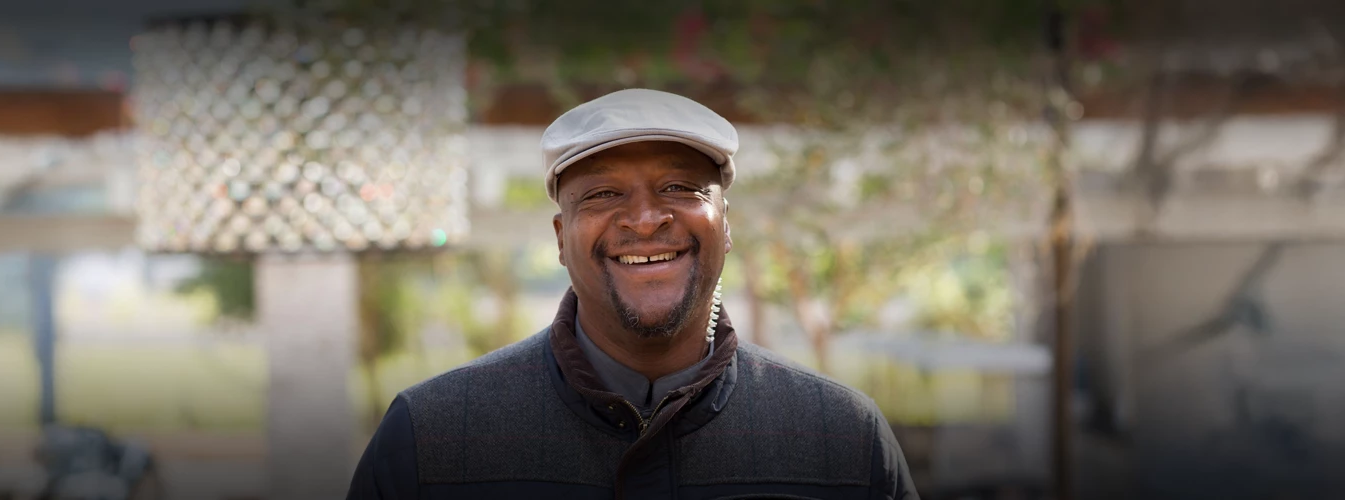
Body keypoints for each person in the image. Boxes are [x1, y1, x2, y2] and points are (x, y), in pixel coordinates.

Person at [347, 89, 919, 499]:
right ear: (560, 239)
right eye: (601, 194)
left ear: (725, 225)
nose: (645, 220)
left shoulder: (842, 439)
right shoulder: (432, 439)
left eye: (679, 187)